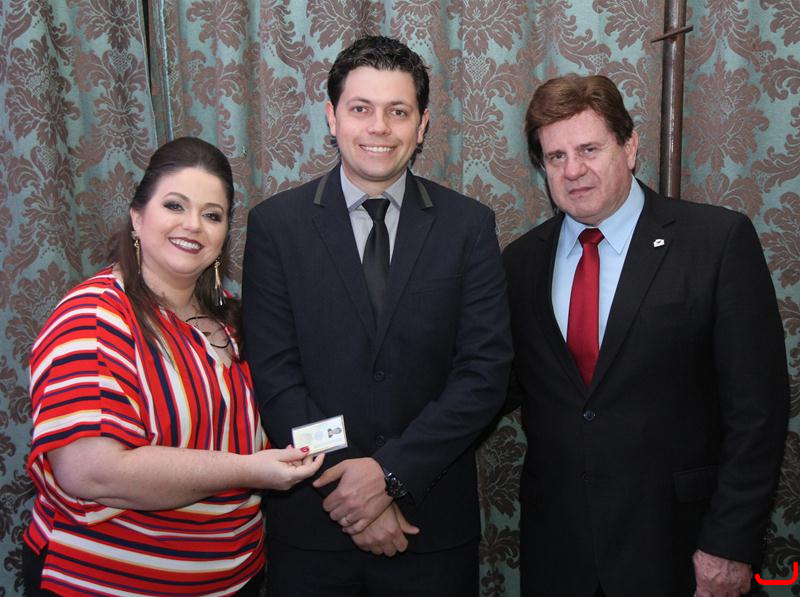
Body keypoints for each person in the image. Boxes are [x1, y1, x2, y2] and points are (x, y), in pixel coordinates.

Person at [242, 36, 512, 596]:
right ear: (332, 117)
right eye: (361, 108)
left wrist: (391, 475)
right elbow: (276, 377)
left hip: (429, 527)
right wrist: (350, 488)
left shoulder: (468, 227)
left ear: (423, 124)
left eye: (398, 111)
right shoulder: (276, 226)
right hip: (314, 527)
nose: (379, 128)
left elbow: (483, 374)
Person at [503, 74, 789, 597]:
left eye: (589, 149)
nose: (573, 170)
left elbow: (758, 411)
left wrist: (730, 543)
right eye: (556, 156)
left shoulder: (716, 242)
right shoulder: (520, 263)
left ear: (630, 147)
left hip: (679, 548)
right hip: (560, 553)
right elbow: (493, 385)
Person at [23, 137, 324, 597]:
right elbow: (91, 472)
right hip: (109, 583)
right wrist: (246, 471)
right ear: (137, 216)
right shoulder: (95, 317)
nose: (193, 225)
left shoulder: (233, 318)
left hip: (236, 580)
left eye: (212, 215)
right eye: (174, 205)